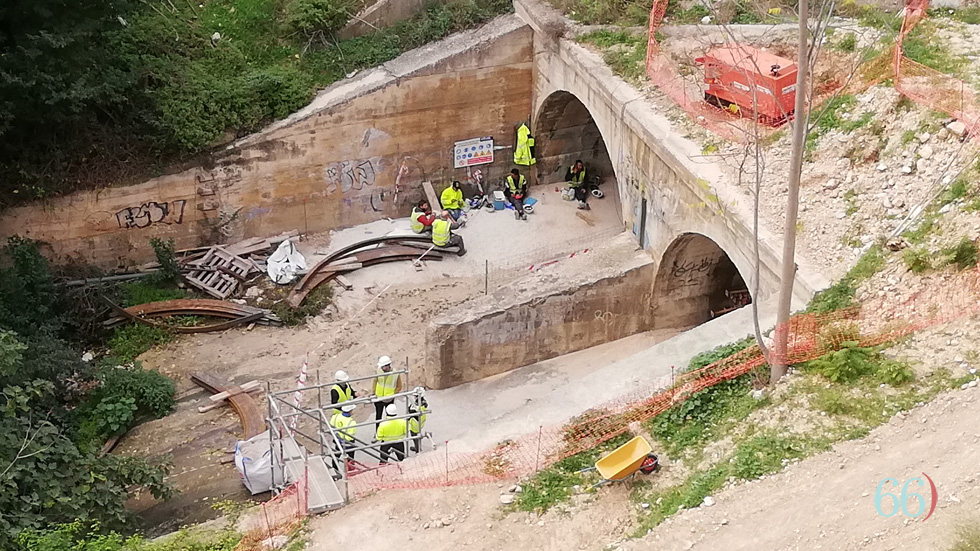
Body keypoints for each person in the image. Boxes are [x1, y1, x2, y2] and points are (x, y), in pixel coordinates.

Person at [373, 356, 403, 423]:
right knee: (378, 417)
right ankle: (378, 431)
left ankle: (388, 430)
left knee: (390, 417)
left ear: (387, 366)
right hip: (379, 398)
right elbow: (375, 381)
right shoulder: (379, 370)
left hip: (389, 399)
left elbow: (399, 386)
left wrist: (393, 394)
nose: (381, 368)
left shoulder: (395, 374)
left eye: (382, 366)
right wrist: (374, 392)